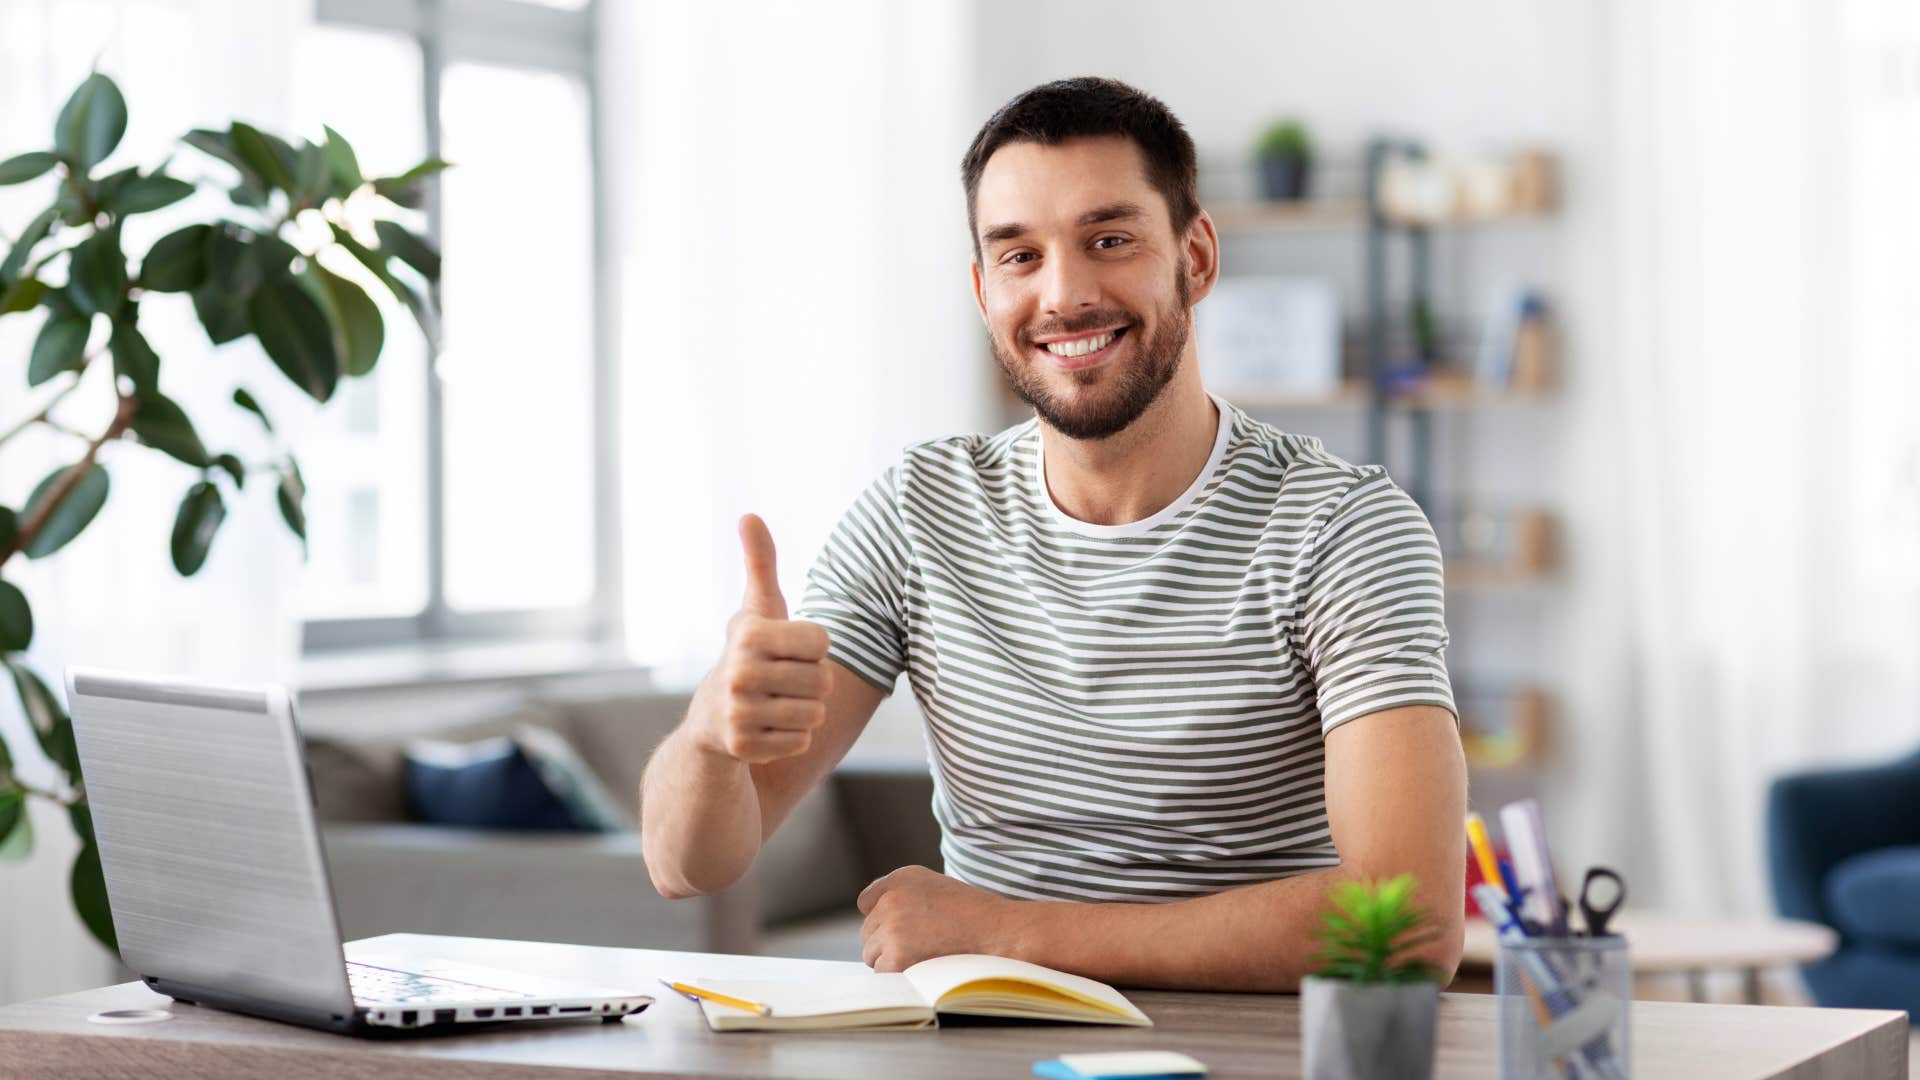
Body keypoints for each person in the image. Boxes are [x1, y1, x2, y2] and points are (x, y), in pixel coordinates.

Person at [641, 76, 1466, 991]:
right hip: (976, 1051)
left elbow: (1409, 926)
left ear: (1196, 257)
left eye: (1108, 241)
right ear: (982, 287)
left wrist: (1012, 933)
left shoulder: (1343, 527)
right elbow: (688, 867)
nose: (1064, 294)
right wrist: (710, 738)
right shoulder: (919, 514)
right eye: (1019, 256)